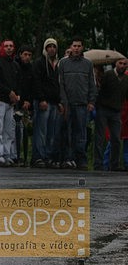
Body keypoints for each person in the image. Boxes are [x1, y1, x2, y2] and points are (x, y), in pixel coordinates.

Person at [58, 36, 97, 170]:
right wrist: (63, 101)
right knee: (66, 132)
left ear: (82, 48)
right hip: (67, 104)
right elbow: (61, 84)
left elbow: (92, 84)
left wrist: (91, 101)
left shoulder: (88, 64)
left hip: (82, 104)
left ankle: (81, 160)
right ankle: (67, 159)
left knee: (81, 133)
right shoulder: (63, 63)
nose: (76, 48)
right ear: (70, 47)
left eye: (79, 46)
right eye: (74, 46)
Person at [31, 38, 62, 168]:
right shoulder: (40, 63)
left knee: (51, 132)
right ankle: (39, 156)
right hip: (44, 101)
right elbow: (37, 81)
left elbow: (59, 85)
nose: (51, 49)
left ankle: (48, 156)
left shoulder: (58, 64)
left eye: (53, 47)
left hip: (54, 102)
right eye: (49, 46)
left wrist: (60, 101)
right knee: (41, 131)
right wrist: (41, 98)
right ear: (45, 48)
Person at [93, 57, 128, 171]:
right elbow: (100, 90)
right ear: (116, 64)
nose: (122, 66)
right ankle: (98, 164)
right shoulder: (108, 75)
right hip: (104, 109)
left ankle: (115, 164)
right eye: (120, 63)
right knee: (100, 137)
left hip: (116, 111)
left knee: (116, 139)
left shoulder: (126, 79)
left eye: (125, 64)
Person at [0, 40, 21, 166]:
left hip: (10, 102)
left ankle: (7, 154)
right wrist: (9, 92)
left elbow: (18, 82)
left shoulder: (15, 65)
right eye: (6, 46)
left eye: (11, 46)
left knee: (9, 129)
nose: (8, 48)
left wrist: (17, 95)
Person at [15, 44, 34, 166]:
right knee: (17, 131)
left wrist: (28, 101)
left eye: (29, 55)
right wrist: (21, 101)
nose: (27, 57)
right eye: (25, 54)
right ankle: (17, 155)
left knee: (26, 132)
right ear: (20, 55)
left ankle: (26, 156)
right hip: (16, 102)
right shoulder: (16, 66)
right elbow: (17, 85)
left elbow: (33, 86)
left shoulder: (32, 68)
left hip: (27, 103)